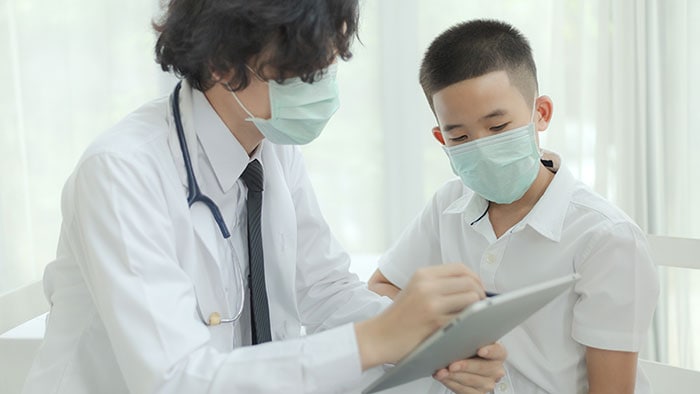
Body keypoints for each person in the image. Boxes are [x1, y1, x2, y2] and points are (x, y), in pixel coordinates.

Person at [21, 2, 507, 393]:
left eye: (330, 63)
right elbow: (174, 380)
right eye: (303, 72)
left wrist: (436, 344)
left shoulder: (268, 143)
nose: (324, 86)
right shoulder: (122, 172)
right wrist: (377, 339)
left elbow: (322, 289)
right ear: (222, 63)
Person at [368, 19, 660, 394]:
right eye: (459, 136)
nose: (482, 147)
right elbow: (381, 287)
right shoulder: (448, 204)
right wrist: (444, 338)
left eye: (498, 127)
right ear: (441, 138)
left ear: (540, 113)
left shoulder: (605, 238)